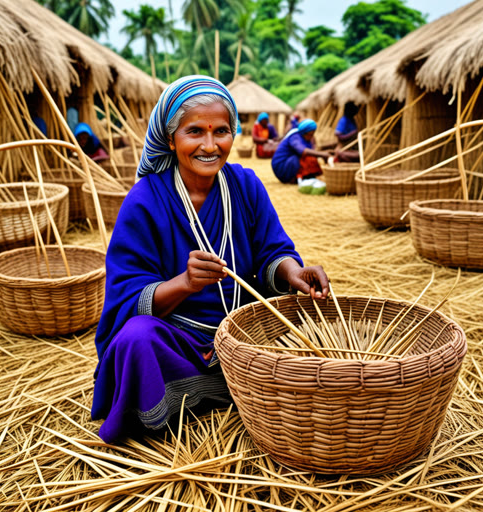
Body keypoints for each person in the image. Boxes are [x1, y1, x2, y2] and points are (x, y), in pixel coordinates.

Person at [90, 75, 330, 443]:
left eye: (221, 131)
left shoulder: (245, 185)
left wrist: (294, 272)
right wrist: (184, 284)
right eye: (194, 132)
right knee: (136, 341)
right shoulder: (145, 200)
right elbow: (126, 296)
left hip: (244, 332)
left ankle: (233, 383)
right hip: (176, 338)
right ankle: (197, 394)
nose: (209, 145)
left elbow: (272, 249)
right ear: (171, 139)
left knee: (314, 331)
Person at [271, 119, 333, 194]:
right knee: (304, 158)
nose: (311, 136)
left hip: (289, 162)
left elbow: (313, 149)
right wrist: (323, 154)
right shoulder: (295, 137)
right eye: (310, 134)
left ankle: (306, 177)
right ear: (305, 132)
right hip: (282, 167)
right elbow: (303, 151)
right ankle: (294, 178)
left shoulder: (306, 138)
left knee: (310, 158)